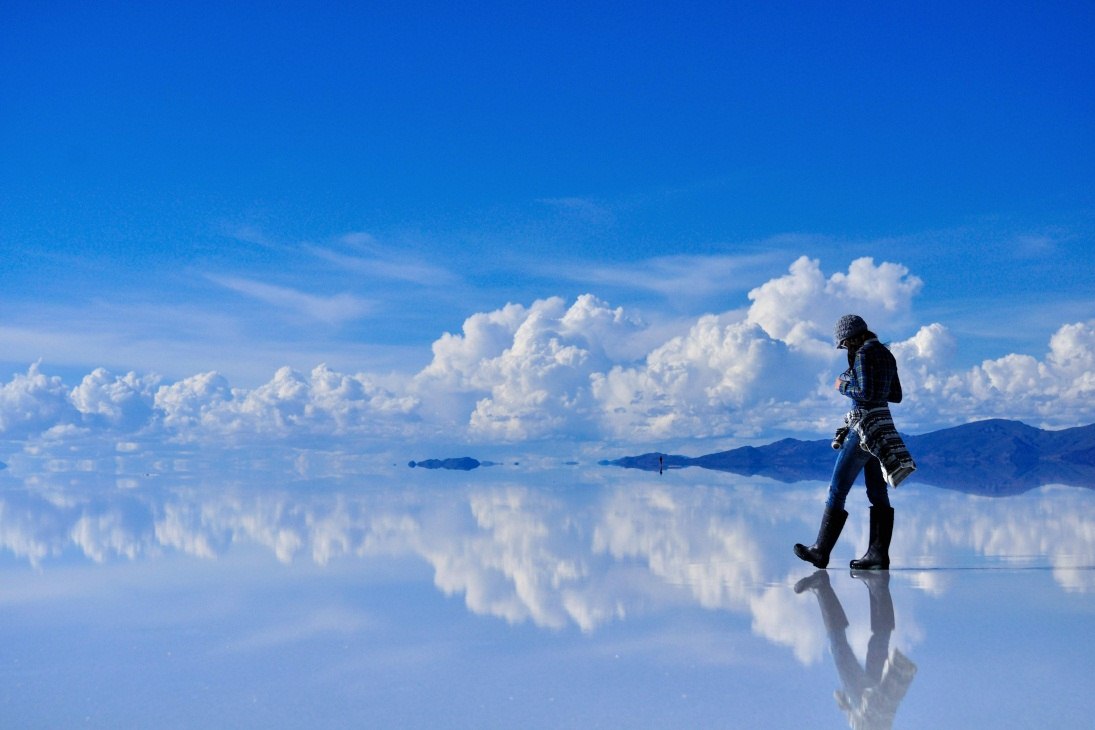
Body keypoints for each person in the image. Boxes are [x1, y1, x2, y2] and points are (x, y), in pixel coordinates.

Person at [794, 314, 915, 570]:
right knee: (877, 492)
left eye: (844, 343)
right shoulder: (886, 354)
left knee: (837, 489)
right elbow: (896, 395)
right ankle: (878, 555)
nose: (845, 348)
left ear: (853, 337)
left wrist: (842, 385)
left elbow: (865, 393)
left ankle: (820, 551)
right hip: (882, 428)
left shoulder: (863, 354)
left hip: (863, 429)